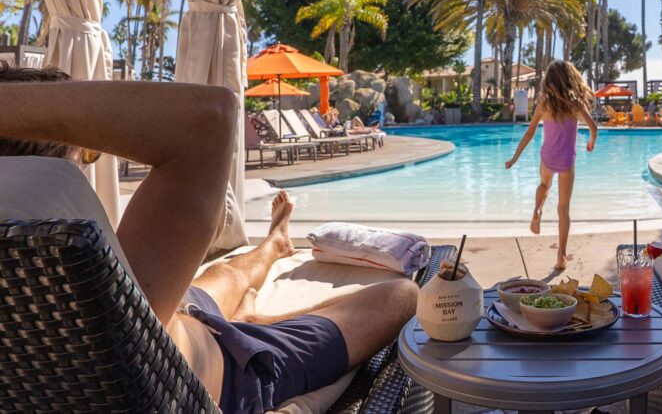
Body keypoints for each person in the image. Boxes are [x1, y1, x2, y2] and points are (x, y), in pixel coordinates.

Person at [0, 64, 417, 414]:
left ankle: (273, 246)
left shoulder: (32, 275)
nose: (91, 163)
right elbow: (209, 116)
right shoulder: (72, 257)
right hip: (230, 371)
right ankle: (256, 315)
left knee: (221, 272)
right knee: (402, 294)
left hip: (171, 317)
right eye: (86, 150)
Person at [504, 60, 598, 271]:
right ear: (571, 79)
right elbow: (594, 127)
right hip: (566, 162)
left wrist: (515, 158)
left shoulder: (544, 105)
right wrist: (591, 143)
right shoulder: (576, 105)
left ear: (549, 81)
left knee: (544, 186)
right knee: (563, 209)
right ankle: (561, 257)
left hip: (547, 158)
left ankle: (537, 211)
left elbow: (529, 134)